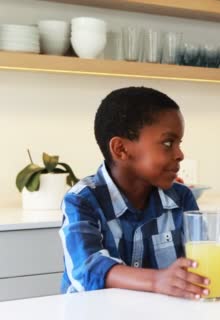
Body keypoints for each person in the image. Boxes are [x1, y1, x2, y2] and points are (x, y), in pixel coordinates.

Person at [59, 87, 208, 299]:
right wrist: (157, 280)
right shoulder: (82, 200)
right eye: (168, 143)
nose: (180, 154)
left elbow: (201, 262)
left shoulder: (181, 198)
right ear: (121, 149)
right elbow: (87, 270)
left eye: (179, 143)